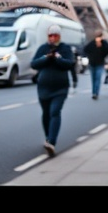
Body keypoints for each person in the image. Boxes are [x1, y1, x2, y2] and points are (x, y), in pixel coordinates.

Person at [30, 24, 74, 157]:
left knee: (55, 112)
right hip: (44, 87)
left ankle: (52, 142)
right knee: (46, 113)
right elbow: (33, 64)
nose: (53, 38)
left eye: (55, 35)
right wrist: (46, 57)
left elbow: (69, 64)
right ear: (47, 36)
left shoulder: (65, 48)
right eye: (51, 35)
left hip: (60, 88)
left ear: (59, 36)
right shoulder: (43, 48)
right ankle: (48, 138)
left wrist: (58, 58)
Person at [83, 29, 108, 100]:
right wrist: (90, 56)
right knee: (94, 79)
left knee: (97, 78)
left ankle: (95, 93)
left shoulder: (104, 43)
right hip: (92, 63)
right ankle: (94, 92)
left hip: (99, 63)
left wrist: (101, 46)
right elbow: (85, 49)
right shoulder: (92, 43)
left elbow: (106, 51)